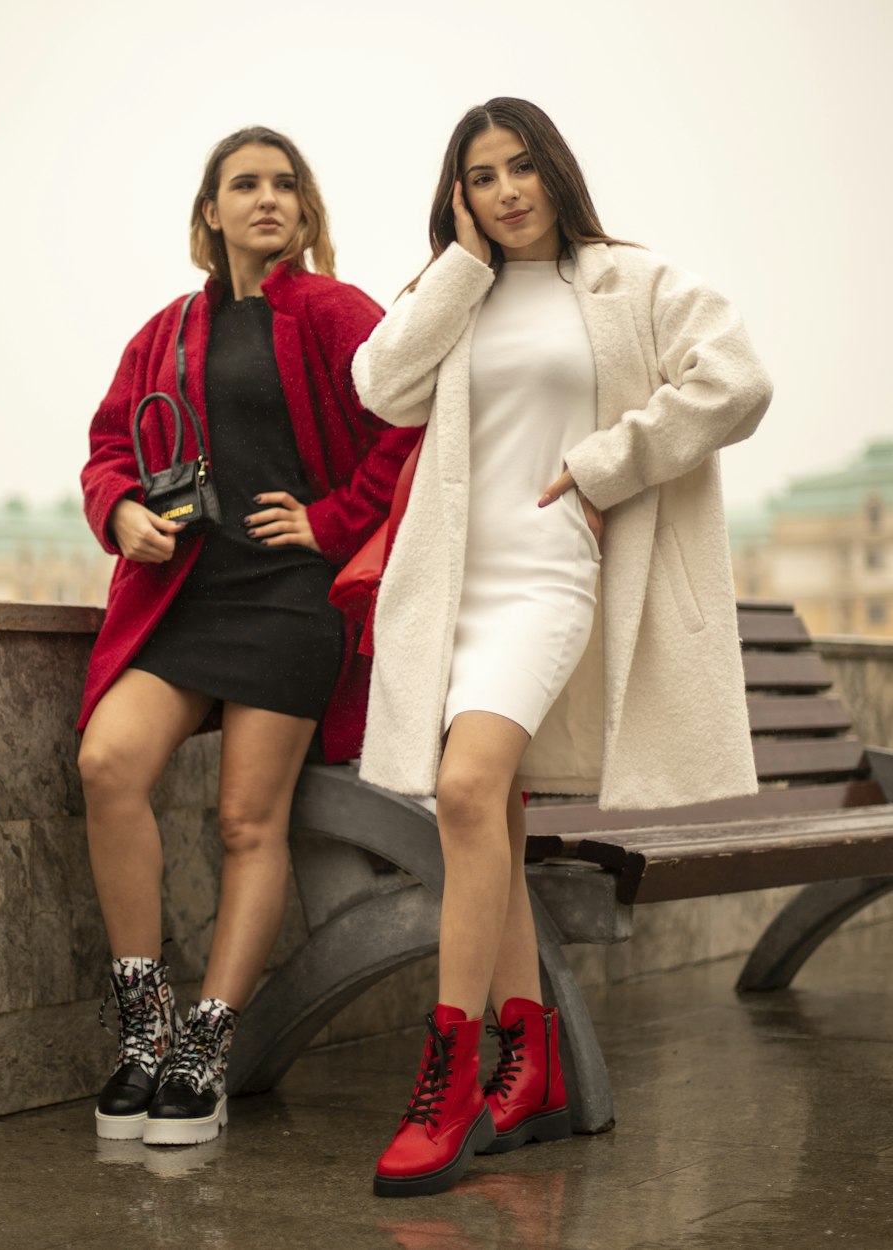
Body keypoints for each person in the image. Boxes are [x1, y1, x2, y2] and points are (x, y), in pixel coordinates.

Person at [350, 97, 772, 1197]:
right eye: (481, 176)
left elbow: (736, 382)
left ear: (556, 169)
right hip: (455, 588)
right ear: (461, 195)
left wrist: (603, 464)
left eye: (521, 166)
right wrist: (457, 265)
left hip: (548, 575)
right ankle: (528, 1062)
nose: (507, 190)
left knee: (463, 788)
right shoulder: (458, 294)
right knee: (486, 810)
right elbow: (377, 386)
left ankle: (445, 1076)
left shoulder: (630, 283)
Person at [78, 126, 417, 1147]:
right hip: (185, 595)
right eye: (244, 185)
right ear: (210, 214)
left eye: (285, 185)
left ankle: (206, 1048)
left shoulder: (336, 309)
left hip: (288, 597)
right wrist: (122, 511)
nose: (267, 198)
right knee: (106, 762)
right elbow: (107, 445)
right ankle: (146, 1032)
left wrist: (333, 517)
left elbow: (407, 423)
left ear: (305, 212)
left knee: (244, 820)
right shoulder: (166, 329)